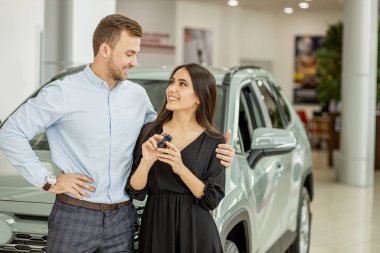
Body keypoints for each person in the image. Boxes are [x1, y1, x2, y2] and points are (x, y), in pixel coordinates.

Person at [0, 14, 235, 253]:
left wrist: (219, 151)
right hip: (74, 217)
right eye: (129, 54)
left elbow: (165, 133)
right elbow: (10, 132)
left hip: (123, 219)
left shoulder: (137, 96)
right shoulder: (62, 92)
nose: (134, 62)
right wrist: (47, 180)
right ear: (105, 49)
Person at [127, 63, 226, 253]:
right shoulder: (150, 132)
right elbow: (136, 191)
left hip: (197, 231)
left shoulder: (215, 141)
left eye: (182, 84)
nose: (172, 89)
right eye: (172, 82)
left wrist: (180, 167)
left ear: (199, 96)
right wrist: (146, 162)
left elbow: (212, 199)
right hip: (156, 226)